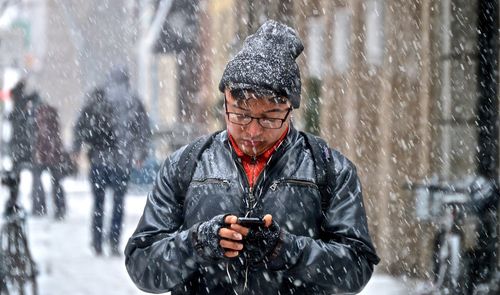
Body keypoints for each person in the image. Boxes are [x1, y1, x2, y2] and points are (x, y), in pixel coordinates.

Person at [125, 20, 380, 294]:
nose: (253, 130)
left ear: (289, 109)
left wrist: (287, 249)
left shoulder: (329, 168)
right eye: (241, 115)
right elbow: (142, 265)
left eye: (269, 118)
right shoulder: (186, 165)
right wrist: (198, 243)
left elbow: (356, 267)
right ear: (225, 101)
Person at [72, 67, 151, 256]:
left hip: (99, 159)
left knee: (98, 202)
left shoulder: (98, 97)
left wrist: (77, 148)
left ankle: (97, 241)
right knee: (118, 202)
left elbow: (81, 124)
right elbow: (143, 130)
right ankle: (114, 241)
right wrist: (140, 153)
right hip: (122, 161)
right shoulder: (133, 100)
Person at [8, 80, 68, 219]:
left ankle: (38, 208)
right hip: (52, 151)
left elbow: (23, 130)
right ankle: (59, 208)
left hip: (37, 151)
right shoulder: (45, 110)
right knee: (54, 180)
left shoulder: (22, 108)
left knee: (35, 180)